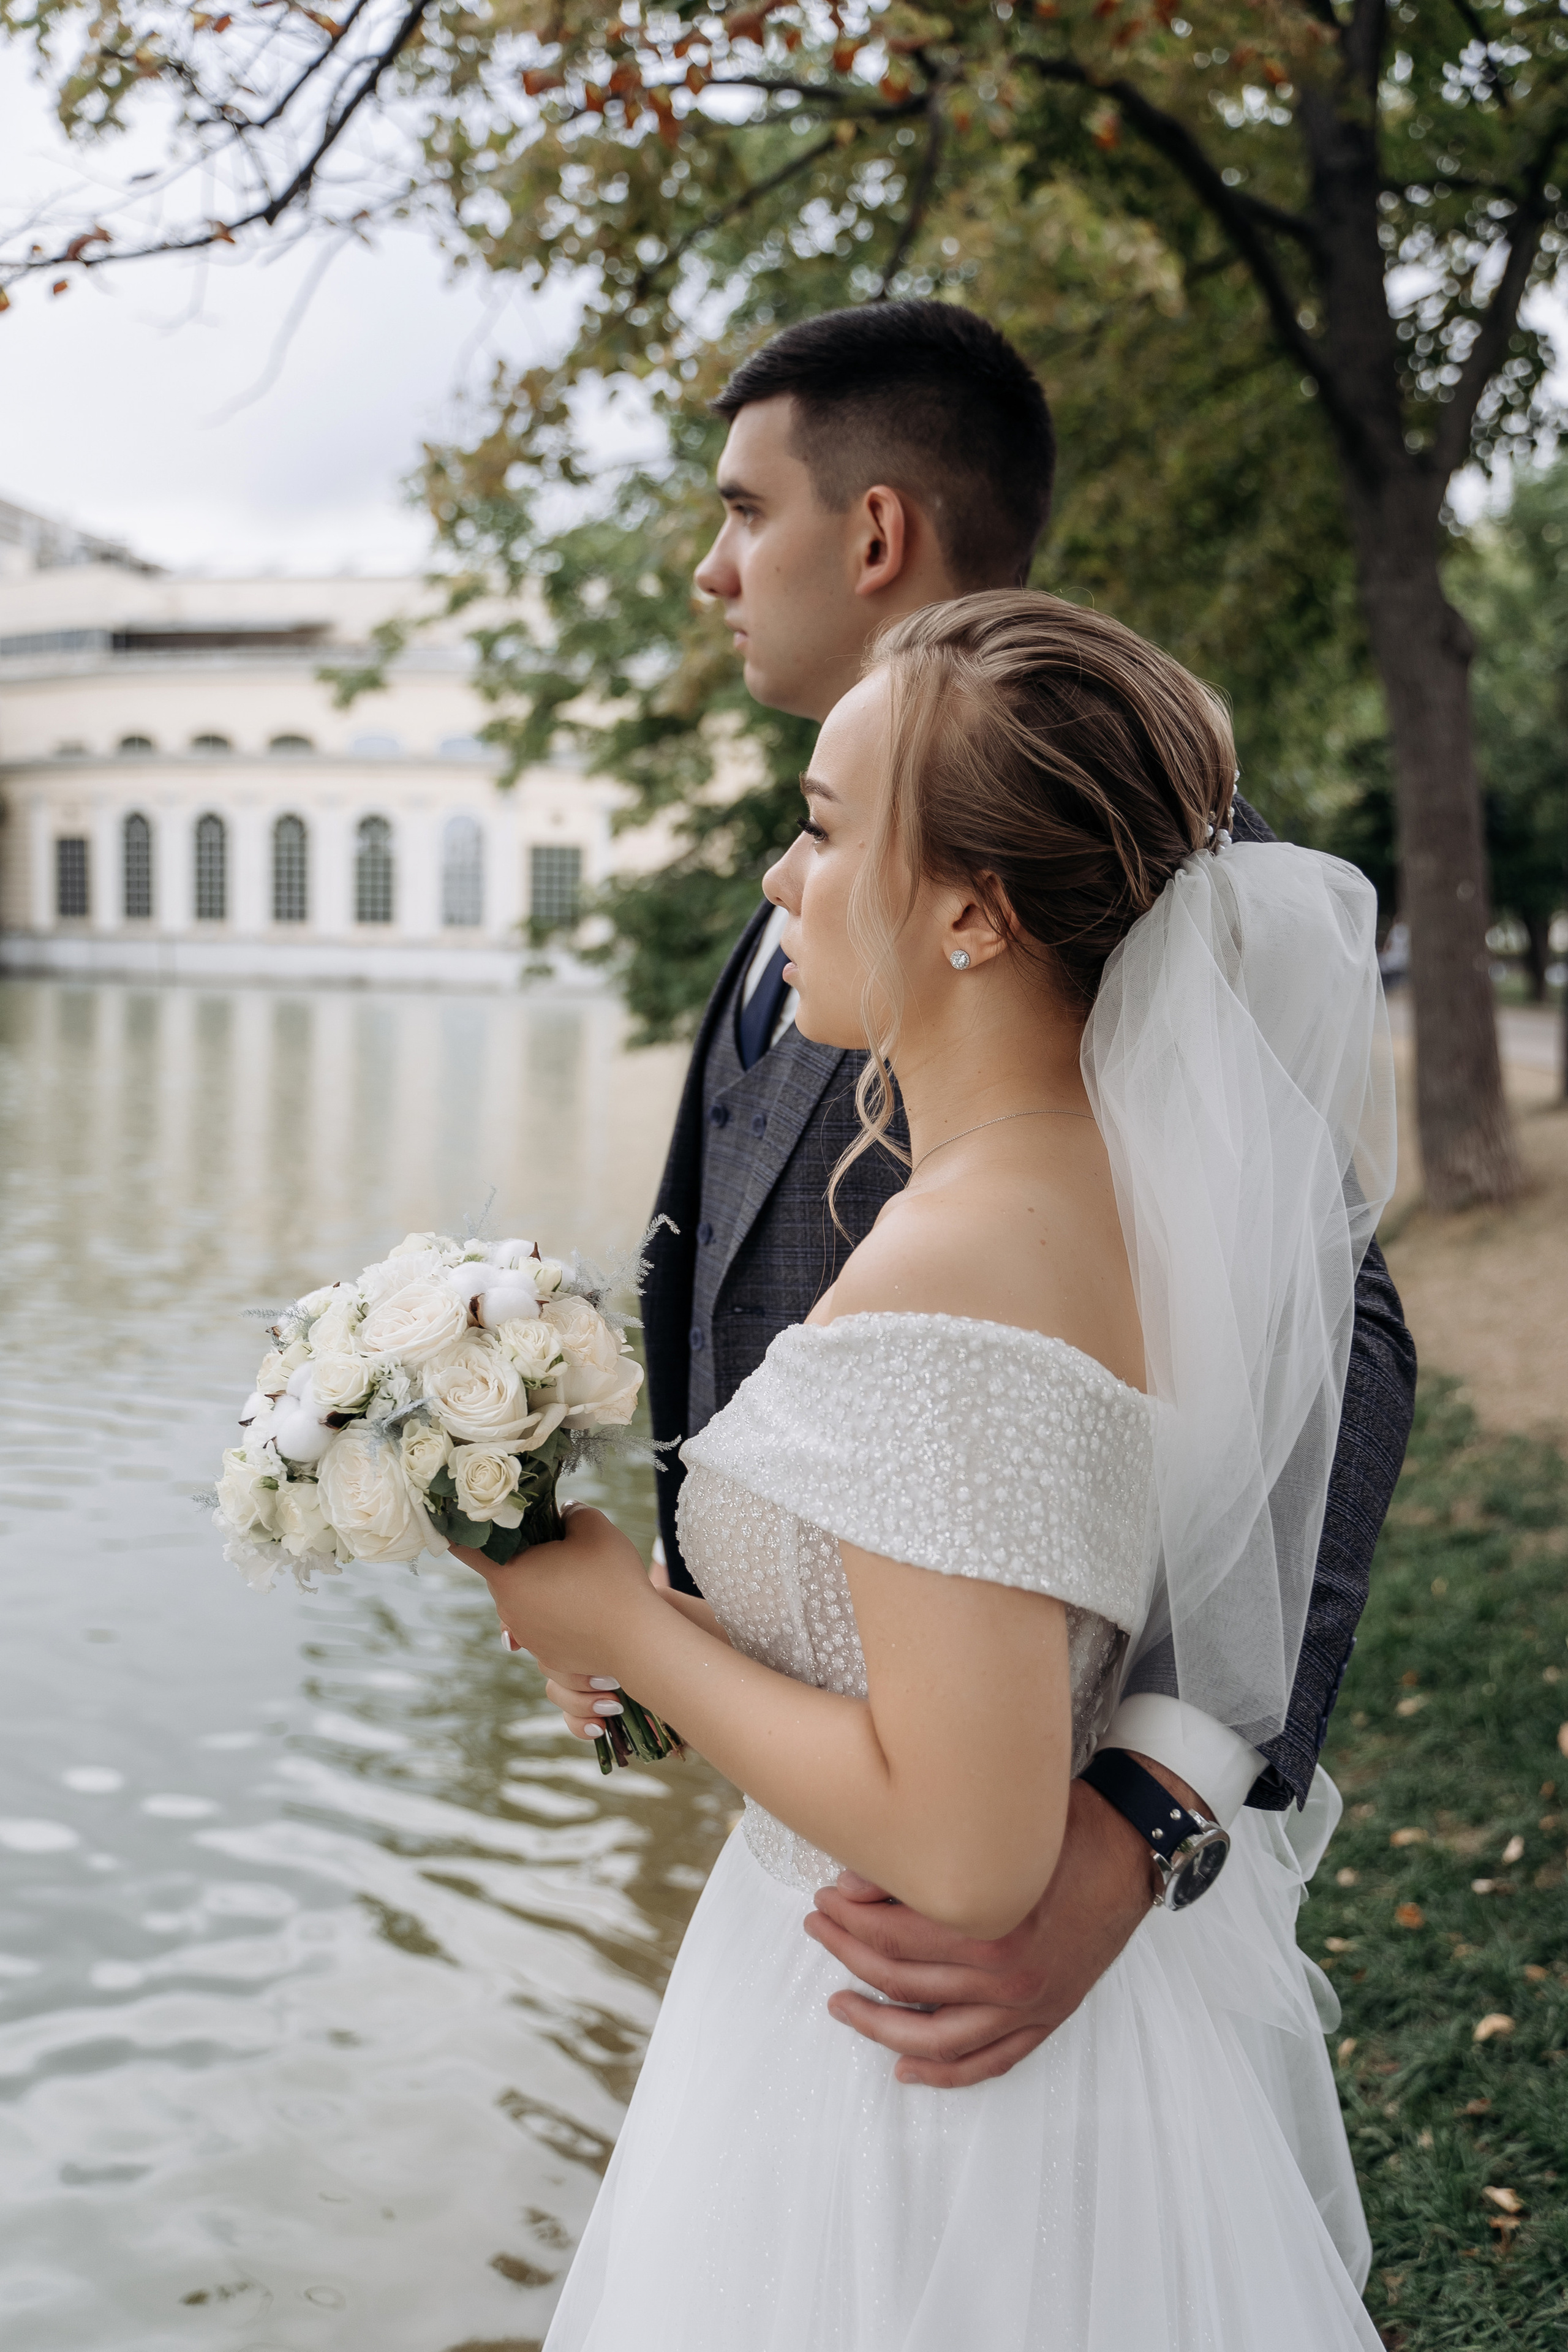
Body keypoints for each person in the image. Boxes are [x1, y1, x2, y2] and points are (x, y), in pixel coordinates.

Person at [469, 592, 1395, 2346]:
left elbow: (969, 1854)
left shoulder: (961, 1253)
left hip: (894, 2090)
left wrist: (615, 1613)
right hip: (1040, 2052)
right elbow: (987, 1628)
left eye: (821, 830)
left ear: (973, 909)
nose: (777, 879)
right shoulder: (1107, 1196)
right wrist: (707, 1638)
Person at [640, 301, 1416, 2086]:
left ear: (879, 532)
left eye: (744, 509)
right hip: (836, 1823)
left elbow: (1332, 1347)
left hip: (1003, 1862)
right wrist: (670, 1616)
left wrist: (1137, 1824)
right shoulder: (816, 889)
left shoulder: (1127, 859)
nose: (712, 570)